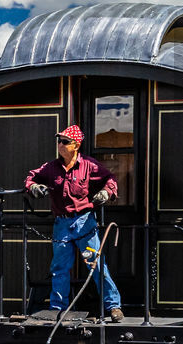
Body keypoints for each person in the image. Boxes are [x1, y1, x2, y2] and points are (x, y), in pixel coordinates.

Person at [25, 124, 123, 322]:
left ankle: (113, 306)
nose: (60, 145)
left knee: (96, 266)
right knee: (59, 268)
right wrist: (33, 187)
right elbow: (31, 177)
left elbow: (110, 178)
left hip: (85, 223)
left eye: (64, 142)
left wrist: (107, 191)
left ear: (76, 145)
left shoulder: (89, 165)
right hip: (62, 224)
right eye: (59, 141)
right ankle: (57, 309)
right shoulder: (51, 167)